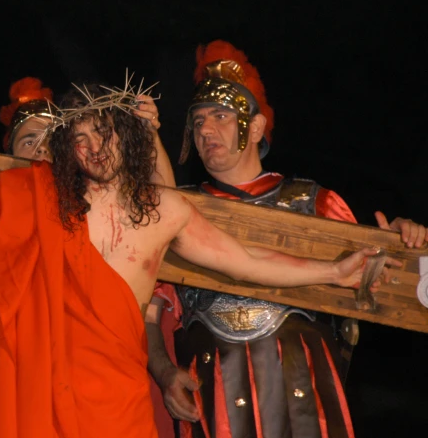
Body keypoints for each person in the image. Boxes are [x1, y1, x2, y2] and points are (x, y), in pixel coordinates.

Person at [0, 78, 391, 438]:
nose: (92, 148)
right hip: (43, 397)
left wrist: (331, 271)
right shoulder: (33, 196)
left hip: (117, 402)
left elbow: (243, 263)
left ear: (127, 138)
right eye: (78, 139)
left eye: (102, 132)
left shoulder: (166, 212)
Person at [146, 40, 424, 438]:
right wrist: (163, 370)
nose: (205, 128)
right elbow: (150, 309)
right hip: (212, 391)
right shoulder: (179, 210)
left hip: (303, 388)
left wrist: (404, 242)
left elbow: (381, 277)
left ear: (255, 126)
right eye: (198, 120)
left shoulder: (317, 203)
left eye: (221, 115)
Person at [0, 76, 172, 436]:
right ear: (7, 157)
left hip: (71, 383)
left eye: (50, 140)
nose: (40, 149)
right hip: (0, 375)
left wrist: (149, 135)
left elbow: (160, 207)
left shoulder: (89, 216)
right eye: (28, 140)